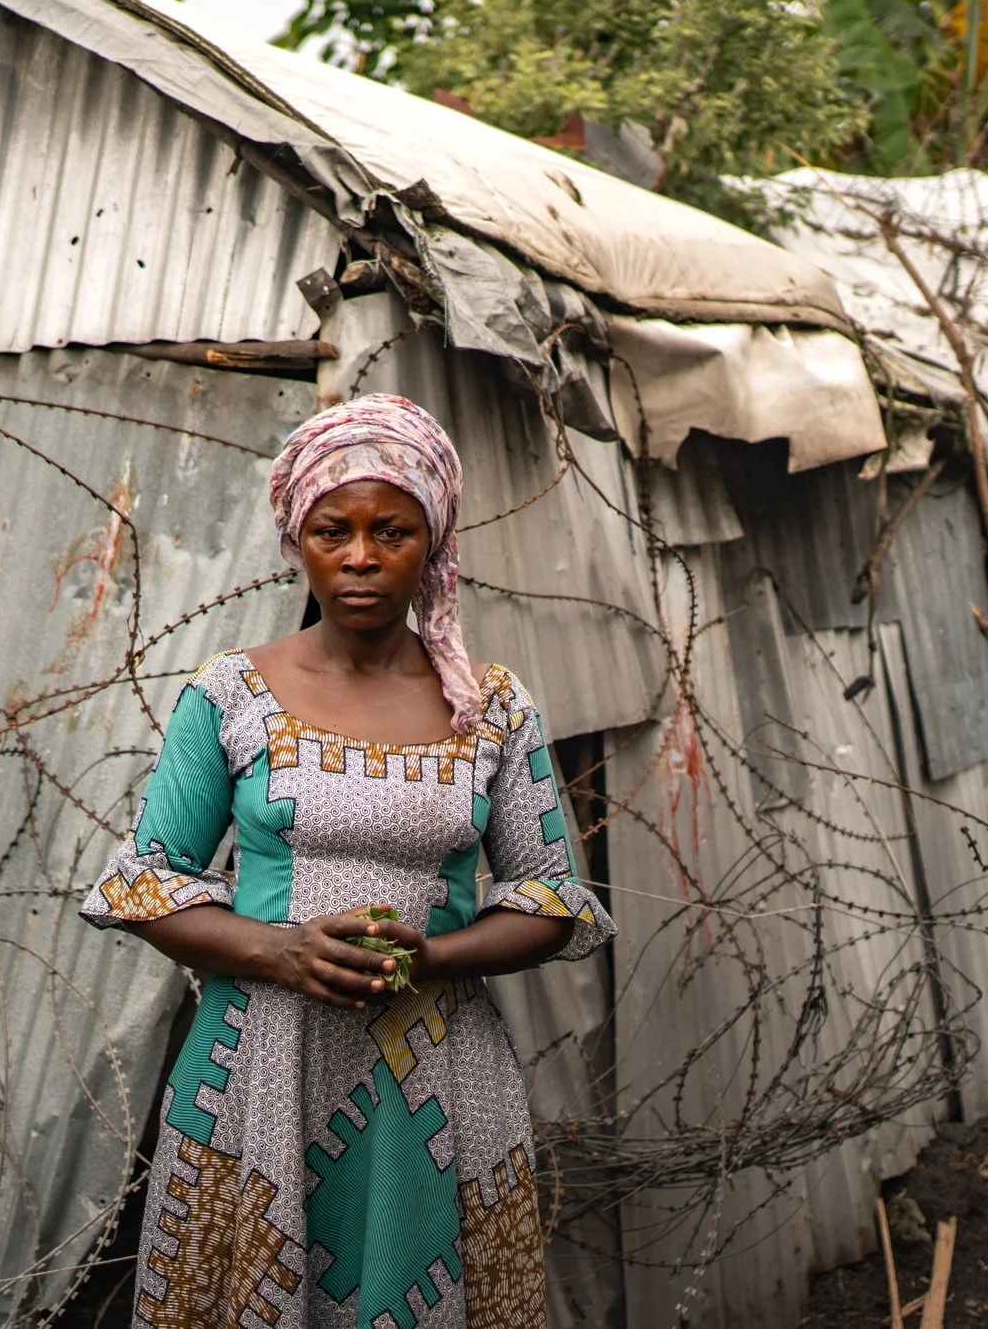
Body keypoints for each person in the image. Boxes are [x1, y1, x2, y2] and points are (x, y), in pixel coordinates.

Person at [80, 392, 614, 1329]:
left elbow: (555, 899)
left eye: (392, 531)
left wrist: (434, 956)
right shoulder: (231, 694)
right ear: (298, 538)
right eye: (335, 529)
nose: (362, 556)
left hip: (437, 1081)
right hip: (256, 1072)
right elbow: (144, 881)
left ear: (433, 542)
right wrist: (281, 951)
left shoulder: (489, 706)